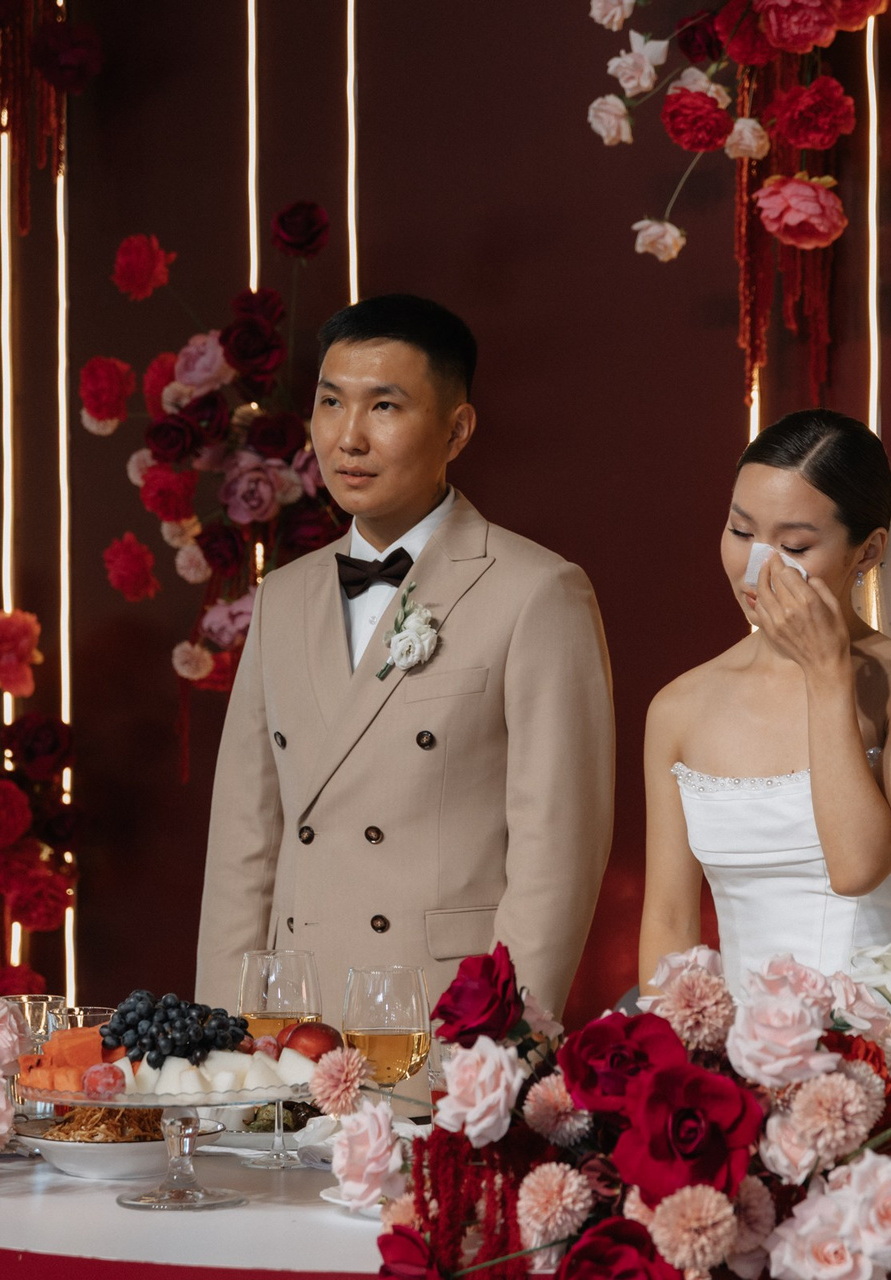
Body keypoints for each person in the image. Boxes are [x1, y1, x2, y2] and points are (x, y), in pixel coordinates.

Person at [195, 294, 614, 1018]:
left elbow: (558, 855)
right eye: (331, 403)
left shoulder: (537, 592)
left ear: (457, 430)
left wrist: (497, 1050)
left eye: (384, 406)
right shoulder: (282, 597)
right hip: (287, 1026)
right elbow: (243, 839)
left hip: (439, 1020)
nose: (348, 438)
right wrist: (221, 1043)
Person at [638, 409, 891, 989]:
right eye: (740, 531)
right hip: (736, 1037)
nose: (756, 568)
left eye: (793, 544)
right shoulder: (678, 708)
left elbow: (855, 868)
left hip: (881, 1032)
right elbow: (669, 919)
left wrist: (826, 674)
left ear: (867, 552)